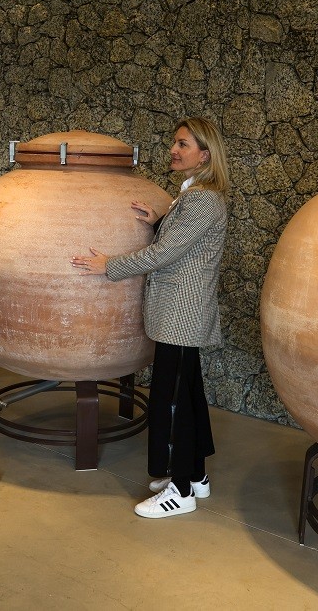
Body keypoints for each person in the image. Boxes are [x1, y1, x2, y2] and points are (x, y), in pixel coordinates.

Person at [71, 117, 229, 518]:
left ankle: (179, 491)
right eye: (174, 142)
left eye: (183, 145)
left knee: (171, 400)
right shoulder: (194, 195)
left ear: (204, 155)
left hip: (181, 313)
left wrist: (109, 265)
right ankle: (195, 475)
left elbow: (164, 255)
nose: (174, 150)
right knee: (188, 393)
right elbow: (185, 241)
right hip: (180, 312)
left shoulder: (203, 199)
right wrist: (159, 221)